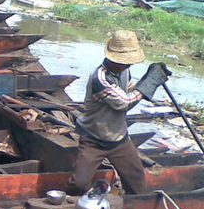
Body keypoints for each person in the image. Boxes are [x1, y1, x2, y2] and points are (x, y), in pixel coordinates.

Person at [66, 30, 171, 196]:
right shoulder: (100, 79)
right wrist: (150, 82)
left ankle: (133, 207)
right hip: (93, 139)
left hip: (119, 139)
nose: (129, 65)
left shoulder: (124, 71)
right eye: (125, 61)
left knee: (136, 182)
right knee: (79, 184)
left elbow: (129, 91)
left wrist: (148, 81)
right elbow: (124, 103)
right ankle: (73, 204)